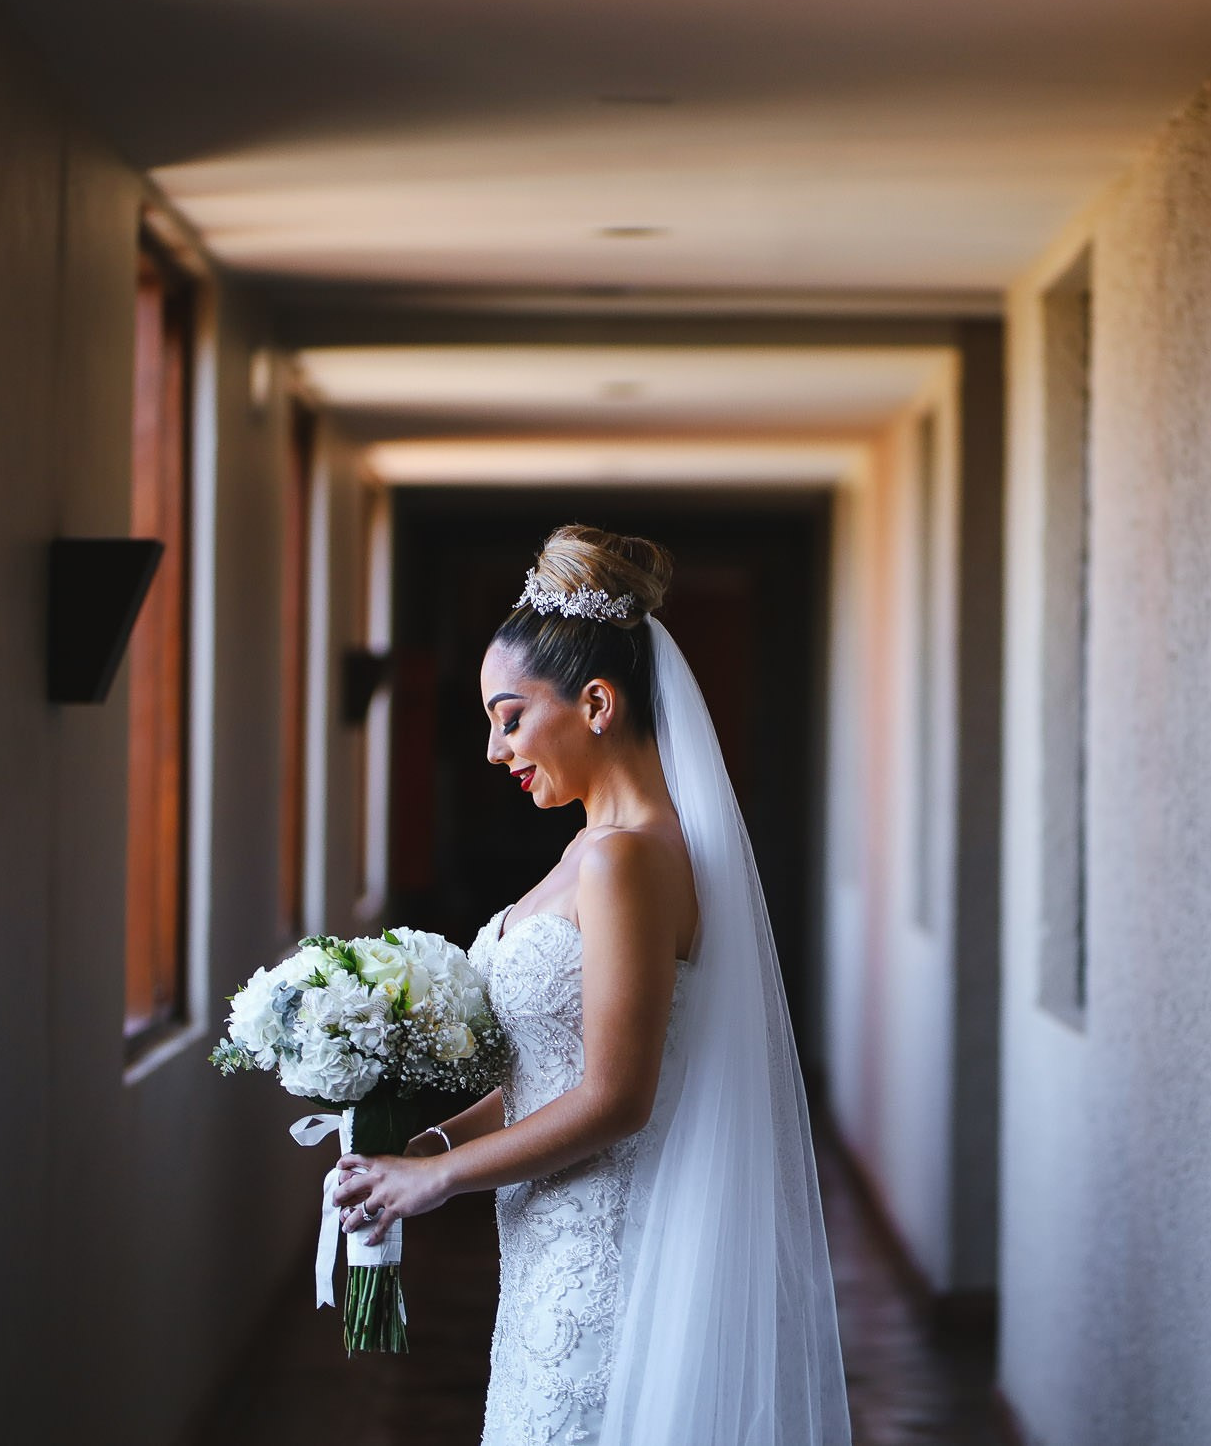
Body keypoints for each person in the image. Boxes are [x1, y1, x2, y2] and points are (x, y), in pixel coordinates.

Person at [332, 524, 850, 1446]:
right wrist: (428, 1141)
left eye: (510, 715)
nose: (496, 749)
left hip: (606, 1260)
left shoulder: (624, 862)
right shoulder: (594, 850)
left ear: (598, 702)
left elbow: (616, 1097)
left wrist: (439, 1180)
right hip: (549, 1248)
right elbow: (555, 1071)